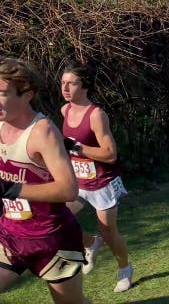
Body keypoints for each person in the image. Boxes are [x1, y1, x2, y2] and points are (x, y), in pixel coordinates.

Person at [0, 57, 92, 303]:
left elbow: (68, 189)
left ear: (27, 94)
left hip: (52, 240)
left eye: (2, 93)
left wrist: (12, 189)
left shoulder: (43, 132)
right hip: (10, 234)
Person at [60, 63, 132, 292]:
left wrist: (79, 149)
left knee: (109, 232)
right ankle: (90, 243)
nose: (65, 87)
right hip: (78, 183)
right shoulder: (65, 111)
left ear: (85, 85)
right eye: (63, 82)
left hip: (102, 183)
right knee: (56, 218)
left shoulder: (96, 115)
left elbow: (110, 154)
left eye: (72, 83)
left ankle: (125, 269)